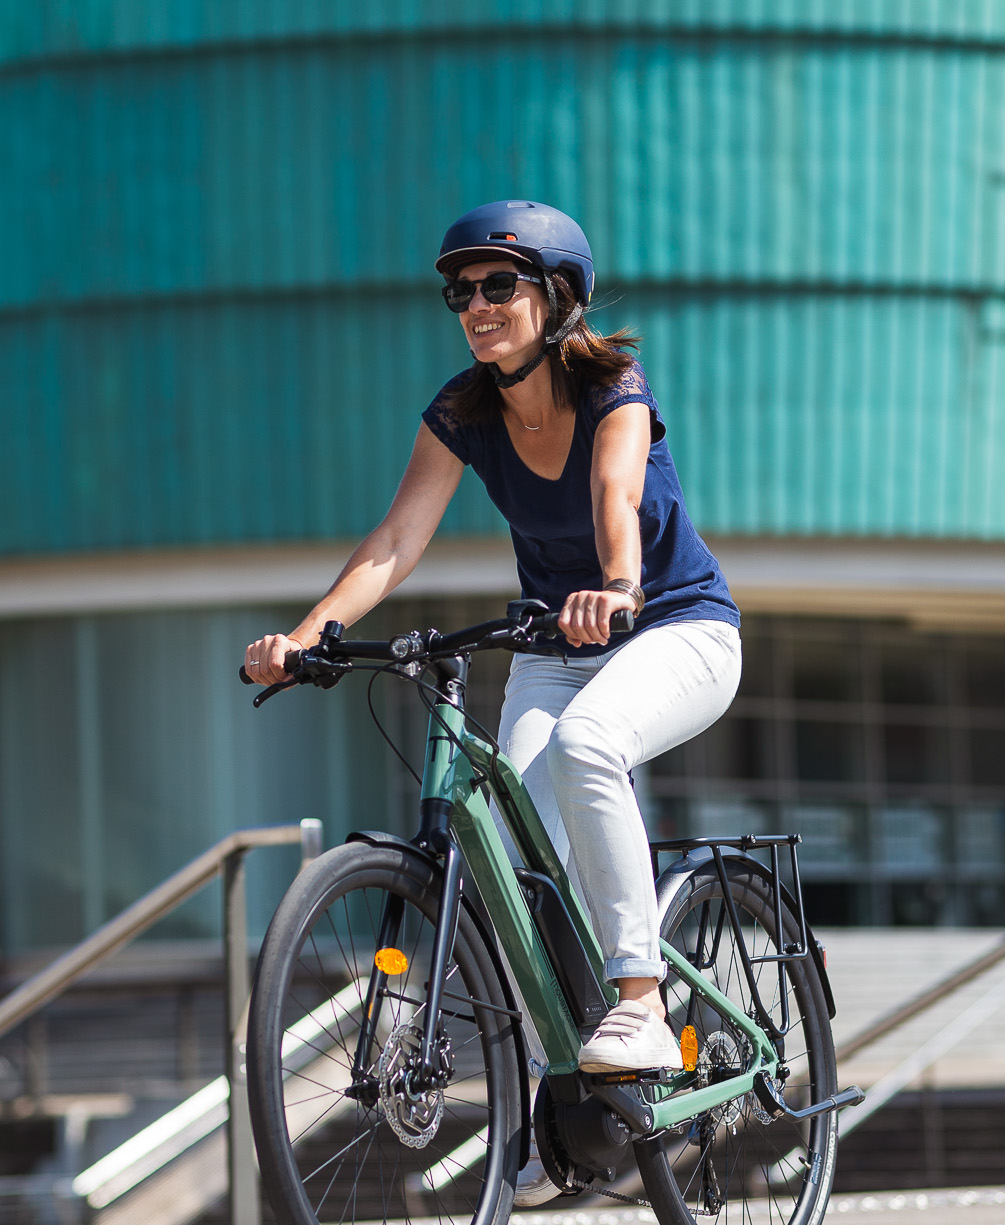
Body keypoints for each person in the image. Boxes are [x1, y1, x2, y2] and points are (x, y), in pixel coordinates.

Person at [244, 198, 741, 1080]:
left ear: (556, 297)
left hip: (675, 627)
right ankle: (566, 1098)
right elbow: (396, 540)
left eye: (499, 285)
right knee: (515, 852)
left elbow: (614, 500)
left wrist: (619, 587)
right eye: (462, 291)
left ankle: (641, 1003)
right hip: (554, 646)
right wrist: (308, 634)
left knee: (589, 747)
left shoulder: (612, 391)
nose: (476, 305)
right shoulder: (463, 412)